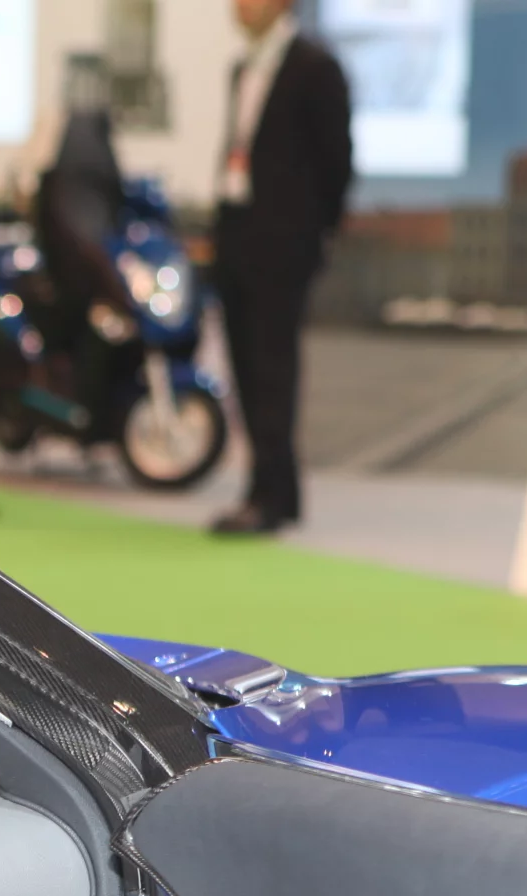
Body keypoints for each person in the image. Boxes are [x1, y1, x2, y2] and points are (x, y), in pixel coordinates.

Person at [206, 0, 350, 537]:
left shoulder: (315, 68)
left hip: (284, 245)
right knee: (244, 364)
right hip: (237, 234)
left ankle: (265, 495)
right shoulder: (240, 68)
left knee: (272, 368)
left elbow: (337, 162)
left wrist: (311, 234)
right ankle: (278, 490)